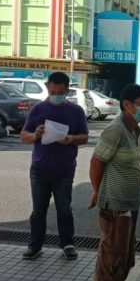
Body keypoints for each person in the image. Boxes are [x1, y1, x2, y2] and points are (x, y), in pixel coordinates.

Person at [88, 83, 140, 281]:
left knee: (124, 255)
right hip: (114, 203)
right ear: (127, 105)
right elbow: (96, 162)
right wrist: (96, 191)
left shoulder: (134, 129)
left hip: (129, 203)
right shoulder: (115, 130)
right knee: (111, 257)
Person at [20, 71, 89, 260]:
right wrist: (36, 134)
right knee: (38, 210)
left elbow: (84, 137)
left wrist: (70, 139)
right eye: (52, 93)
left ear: (67, 90)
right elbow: (24, 136)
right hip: (39, 168)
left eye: (60, 93)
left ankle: (67, 244)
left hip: (64, 169)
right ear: (48, 89)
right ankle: (35, 245)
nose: (56, 96)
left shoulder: (76, 111)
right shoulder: (38, 109)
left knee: (64, 209)